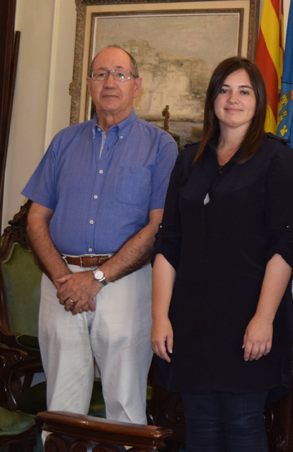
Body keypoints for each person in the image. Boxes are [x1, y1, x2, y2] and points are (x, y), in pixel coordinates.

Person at [151, 56, 293, 452]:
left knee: (242, 424)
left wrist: (264, 318)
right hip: (192, 320)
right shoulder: (188, 160)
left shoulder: (277, 159)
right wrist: (160, 316)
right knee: (199, 428)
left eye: (244, 91)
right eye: (224, 89)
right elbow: (169, 242)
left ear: (258, 100)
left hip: (249, 318)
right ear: (212, 99)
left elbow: (284, 245)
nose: (233, 99)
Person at [23, 45, 178, 424]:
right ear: (89, 83)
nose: (110, 82)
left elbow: (159, 226)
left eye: (120, 74)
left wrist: (95, 279)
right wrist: (65, 279)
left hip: (125, 286)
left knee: (124, 406)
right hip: (61, 287)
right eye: (101, 73)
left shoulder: (161, 146)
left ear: (137, 85)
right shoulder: (63, 141)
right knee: (61, 406)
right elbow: (35, 219)